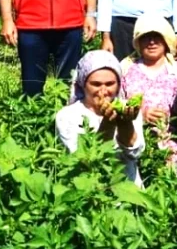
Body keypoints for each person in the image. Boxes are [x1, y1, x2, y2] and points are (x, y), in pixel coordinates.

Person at [55, 50, 145, 187]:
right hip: (91, 191)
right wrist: (108, 124)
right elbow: (85, 160)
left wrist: (125, 123)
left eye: (110, 84)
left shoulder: (128, 110)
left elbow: (134, 152)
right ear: (82, 84)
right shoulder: (67, 116)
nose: (103, 91)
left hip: (128, 188)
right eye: (96, 84)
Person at [120, 15, 177, 170]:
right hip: (137, 143)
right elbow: (118, 104)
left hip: (174, 143)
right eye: (146, 37)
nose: (152, 42)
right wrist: (142, 114)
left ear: (166, 40)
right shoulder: (126, 69)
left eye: (157, 37)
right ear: (138, 42)